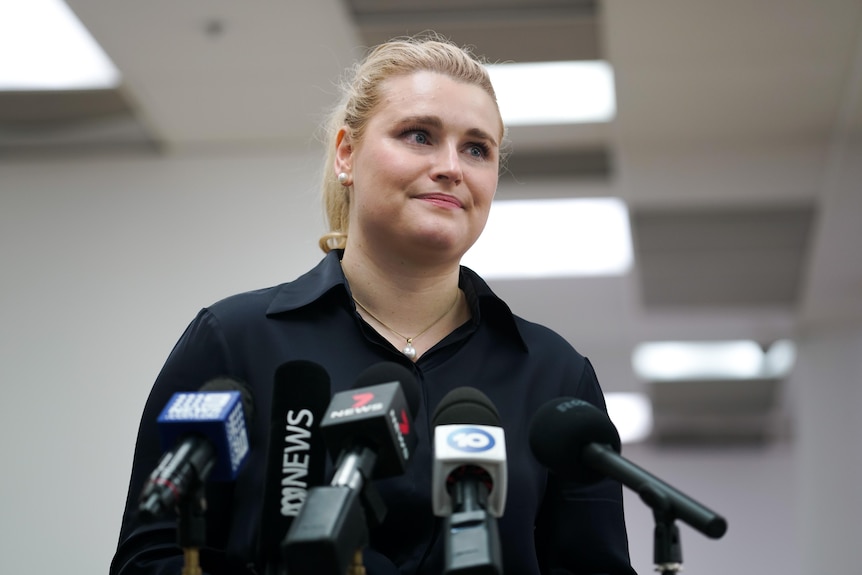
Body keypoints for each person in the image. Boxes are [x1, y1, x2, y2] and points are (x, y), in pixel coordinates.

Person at [110, 33, 637, 575]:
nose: (451, 167)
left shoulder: (554, 375)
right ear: (346, 153)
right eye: (419, 135)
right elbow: (150, 559)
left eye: (477, 149)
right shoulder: (234, 340)